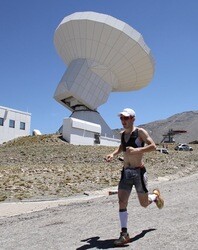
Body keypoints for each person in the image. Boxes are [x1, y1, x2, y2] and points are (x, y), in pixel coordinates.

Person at [105, 108, 164, 247]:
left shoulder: (140, 132)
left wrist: (137, 150)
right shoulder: (122, 134)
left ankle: (154, 197)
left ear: (133, 119)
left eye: (126, 118)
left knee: (144, 204)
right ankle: (124, 235)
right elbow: (121, 146)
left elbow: (153, 146)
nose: (123, 121)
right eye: (121, 118)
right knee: (122, 201)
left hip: (138, 172)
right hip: (126, 172)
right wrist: (113, 154)